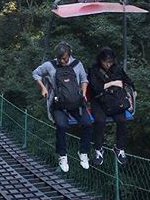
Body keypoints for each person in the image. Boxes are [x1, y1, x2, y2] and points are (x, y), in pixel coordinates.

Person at [32, 42, 92, 173]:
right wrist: (43, 88)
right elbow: (36, 73)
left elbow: (84, 79)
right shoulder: (50, 65)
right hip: (58, 103)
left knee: (87, 123)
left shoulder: (77, 64)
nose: (62, 61)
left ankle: (83, 152)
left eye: (64, 58)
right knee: (61, 126)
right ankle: (62, 155)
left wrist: (83, 93)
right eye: (60, 58)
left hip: (76, 101)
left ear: (69, 55)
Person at [88, 47, 135, 167]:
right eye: (105, 62)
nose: (108, 65)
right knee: (99, 121)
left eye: (110, 62)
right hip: (99, 100)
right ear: (100, 60)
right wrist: (112, 83)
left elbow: (128, 82)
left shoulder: (117, 69)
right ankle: (98, 149)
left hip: (114, 100)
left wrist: (131, 93)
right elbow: (95, 88)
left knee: (122, 120)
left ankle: (119, 147)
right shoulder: (94, 70)